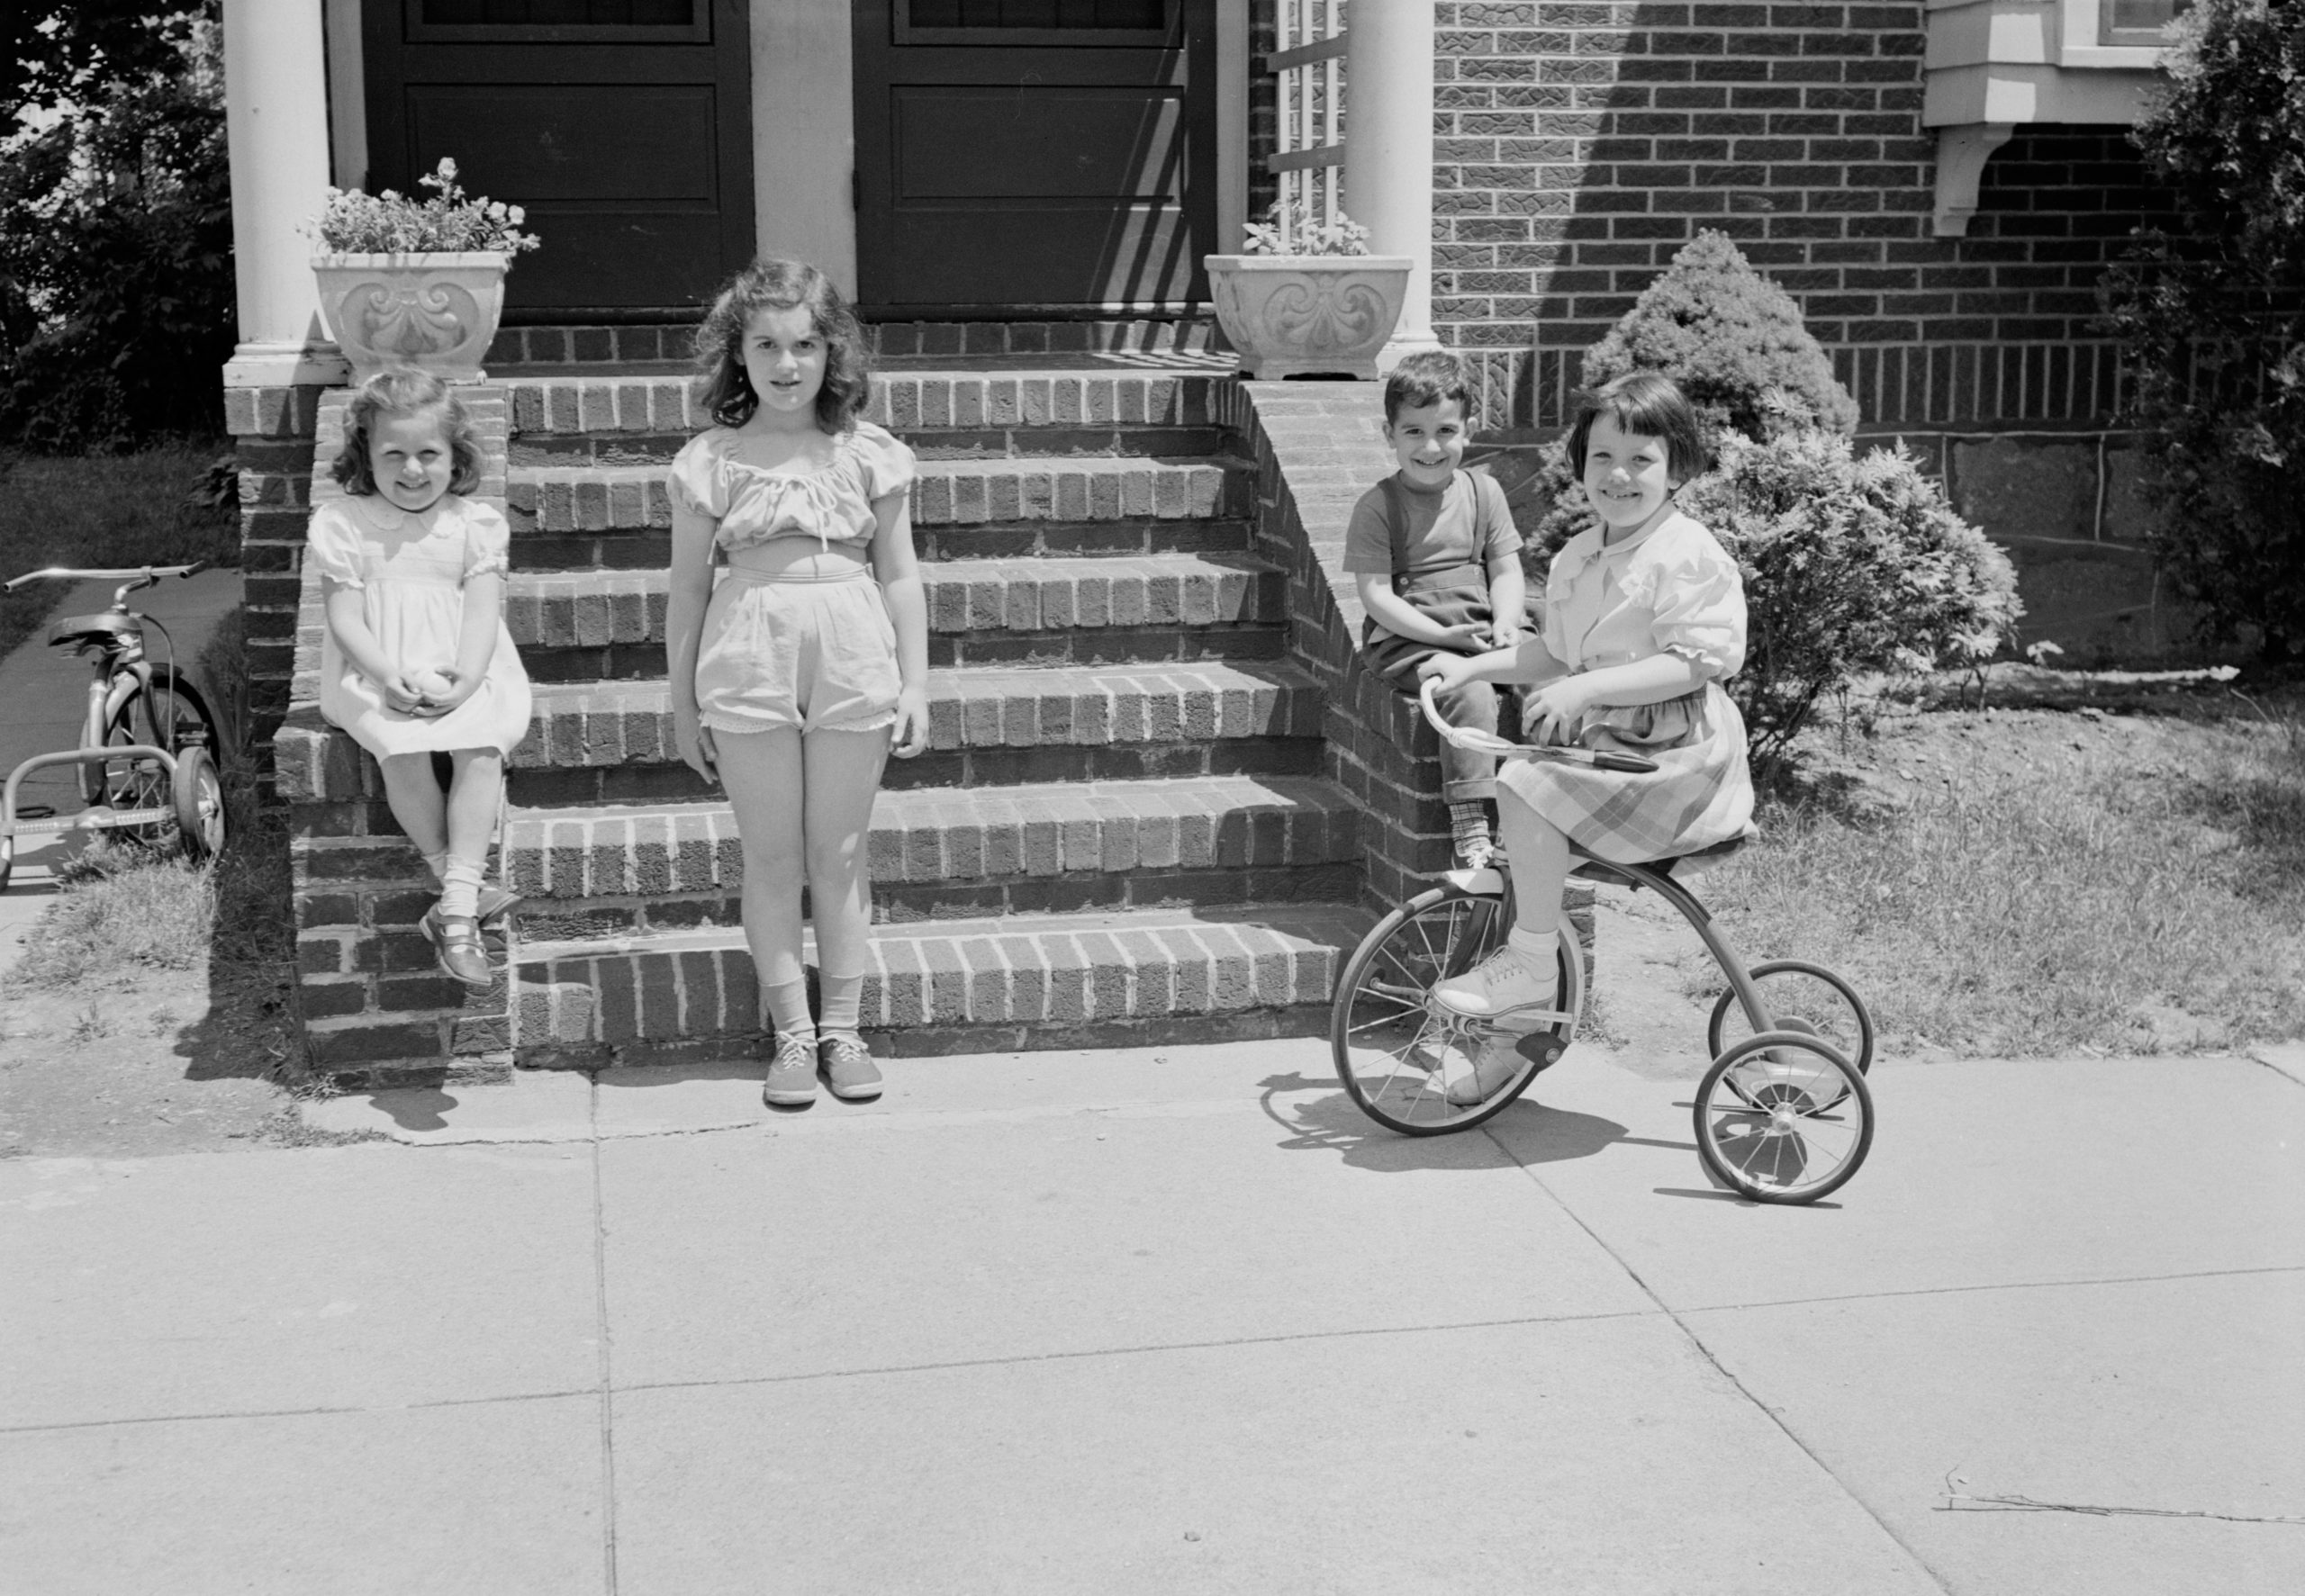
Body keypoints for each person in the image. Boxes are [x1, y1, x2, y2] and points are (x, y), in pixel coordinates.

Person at [1418, 371, 1755, 1103]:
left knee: (1523, 785)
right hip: (1615, 752)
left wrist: (1589, 688)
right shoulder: (1579, 556)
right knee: (1523, 853)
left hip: (1677, 759)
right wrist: (1470, 664)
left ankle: (1534, 965)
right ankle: (1521, 1022)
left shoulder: (1686, 552)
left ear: (1679, 468)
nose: (1620, 475)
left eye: (1642, 459)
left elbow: (1699, 660)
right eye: (1602, 457)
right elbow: (1554, 655)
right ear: (1581, 464)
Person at [665, 258, 930, 1109]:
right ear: (736, 354)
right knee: (775, 856)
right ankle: (791, 1034)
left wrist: (916, 683)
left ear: (832, 352)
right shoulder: (713, 459)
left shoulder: (868, 453)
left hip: (851, 641)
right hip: (749, 644)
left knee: (840, 853)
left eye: (805, 344)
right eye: (766, 344)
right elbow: (687, 588)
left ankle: (844, 1027)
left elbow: (900, 576)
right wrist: (680, 700)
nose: (787, 364)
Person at [308, 370, 533, 992]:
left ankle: (455, 910)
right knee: (401, 748)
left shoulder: (473, 524)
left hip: (462, 665)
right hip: (376, 670)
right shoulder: (345, 522)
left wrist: (465, 683)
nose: (413, 469)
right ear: (365, 454)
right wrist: (384, 676)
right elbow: (345, 618)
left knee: (481, 745)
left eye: (429, 453)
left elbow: (484, 614)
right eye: (394, 454)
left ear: (455, 455)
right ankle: (462, 901)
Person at [1343, 349, 1526, 866]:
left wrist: (1508, 624)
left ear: (1468, 429)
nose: (1431, 446)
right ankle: (1471, 820)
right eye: (1413, 432)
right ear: (1389, 435)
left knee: (1548, 671)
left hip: (1480, 623)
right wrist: (1447, 642)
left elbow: (1507, 571)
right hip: (1410, 637)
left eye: (1445, 430)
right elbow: (1377, 597)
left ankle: (1549, 792)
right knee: (1470, 691)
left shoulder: (1484, 492)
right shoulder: (1379, 506)